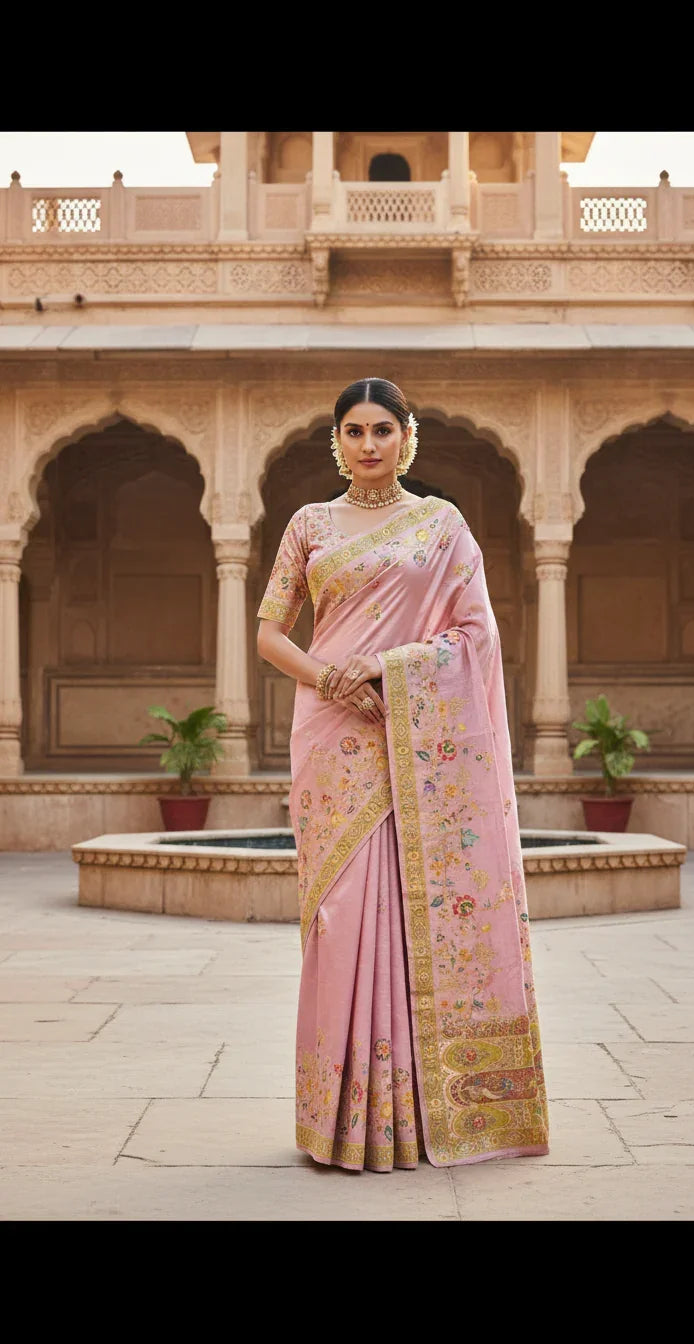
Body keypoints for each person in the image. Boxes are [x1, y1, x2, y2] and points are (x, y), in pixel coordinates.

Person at [257, 377, 549, 1172]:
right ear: (337, 442)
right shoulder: (309, 524)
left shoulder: (441, 526)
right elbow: (269, 634)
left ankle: (421, 1115)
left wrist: (389, 667)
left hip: (412, 731)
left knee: (416, 915)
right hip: (333, 738)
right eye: (354, 431)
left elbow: (475, 636)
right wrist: (330, 679)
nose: (368, 444)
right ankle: (346, 1121)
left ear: (406, 437)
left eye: (382, 429)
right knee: (343, 917)